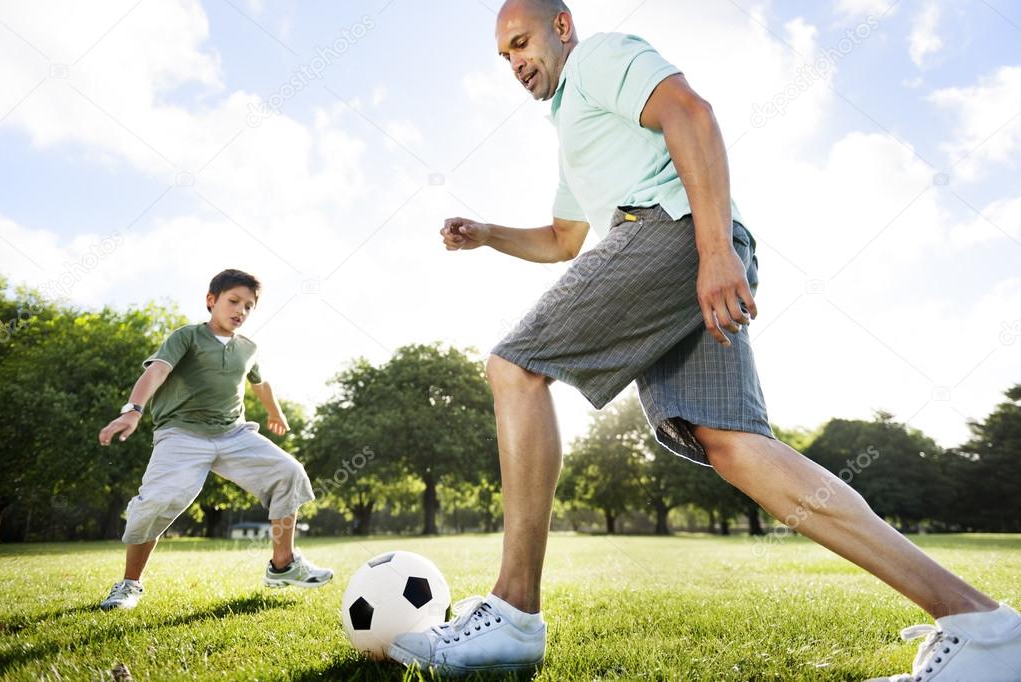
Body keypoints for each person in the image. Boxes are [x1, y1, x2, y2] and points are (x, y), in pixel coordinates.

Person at [386, 1, 1021, 679]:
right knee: (733, 446)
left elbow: (692, 114)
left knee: (514, 367)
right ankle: (981, 625)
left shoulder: (599, 58)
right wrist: (486, 234)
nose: (514, 63)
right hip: (672, 242)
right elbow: (562, 240)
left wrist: (712, 248)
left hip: (673, 230)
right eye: (503, 56)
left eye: (521, 43)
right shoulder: (571, 126)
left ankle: (513, 615)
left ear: (561, 27)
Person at [97, 269, 332, 611]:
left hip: (233, 433)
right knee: (158, 501)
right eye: (234, 301)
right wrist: (133, 409)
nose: (241, 311)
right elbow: (157, 370)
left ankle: (283, 566)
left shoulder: (248, 348)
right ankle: (129, 584)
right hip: (181, 433)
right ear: (212, 301)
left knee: (289, 472)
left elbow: (260, 383)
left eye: (249, 306)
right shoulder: (187, 337)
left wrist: (274, 413)